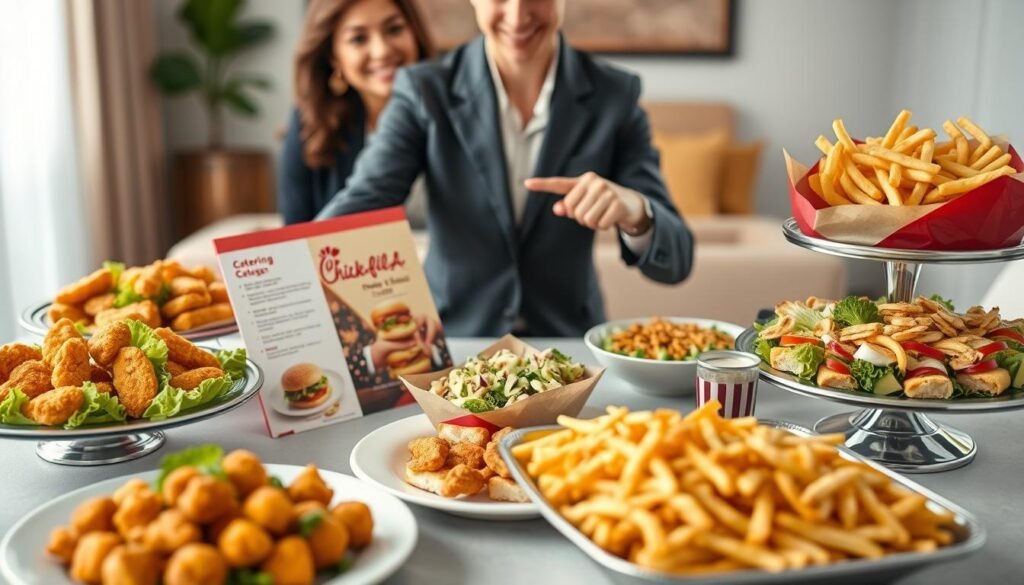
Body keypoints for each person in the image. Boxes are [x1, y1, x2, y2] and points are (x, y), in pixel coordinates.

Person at [317, 0, 694, 337]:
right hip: (457, 341)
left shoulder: (615, 94)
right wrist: (275, 273)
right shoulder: (424, 90)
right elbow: (364, 200)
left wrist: (636, 212)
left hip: (569, 344)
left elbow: (676, 262)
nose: (517, 15)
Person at [279, 0, 433, 224]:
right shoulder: (310, 123)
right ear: (333, 56)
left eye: (394, 29)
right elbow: (294, 233)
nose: (382, 51)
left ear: (415, 34)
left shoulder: (453, 109)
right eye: (358, 39)